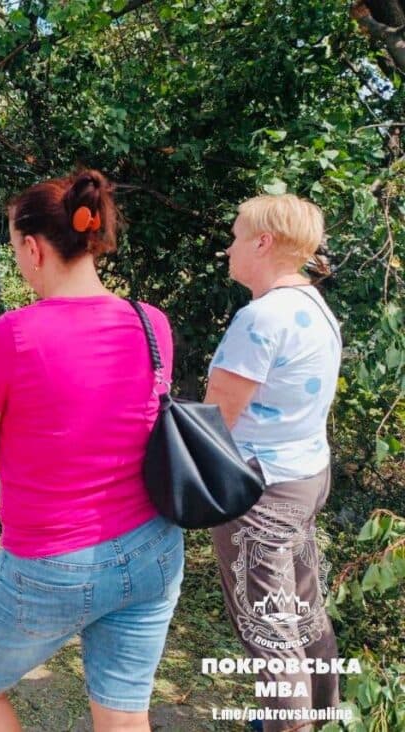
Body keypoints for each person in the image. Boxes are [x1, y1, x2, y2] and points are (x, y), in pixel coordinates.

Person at [0, 170, 183, 732]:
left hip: (51, 561)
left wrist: (33, 461)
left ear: (32, 249)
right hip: (152, 549)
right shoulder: (151, 322)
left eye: (14, 247)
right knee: (125, 714)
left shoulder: (9, 336)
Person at [205, 194, 341, 730]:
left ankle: (290, 723)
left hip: (260, 489)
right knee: (302, 605)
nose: (230, 247)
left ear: (263, 243)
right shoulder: (314, 305)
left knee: (268, 625)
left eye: (237, 236)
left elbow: (217, 419)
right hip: (306, 474)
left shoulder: (260, 317)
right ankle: (321, 709)